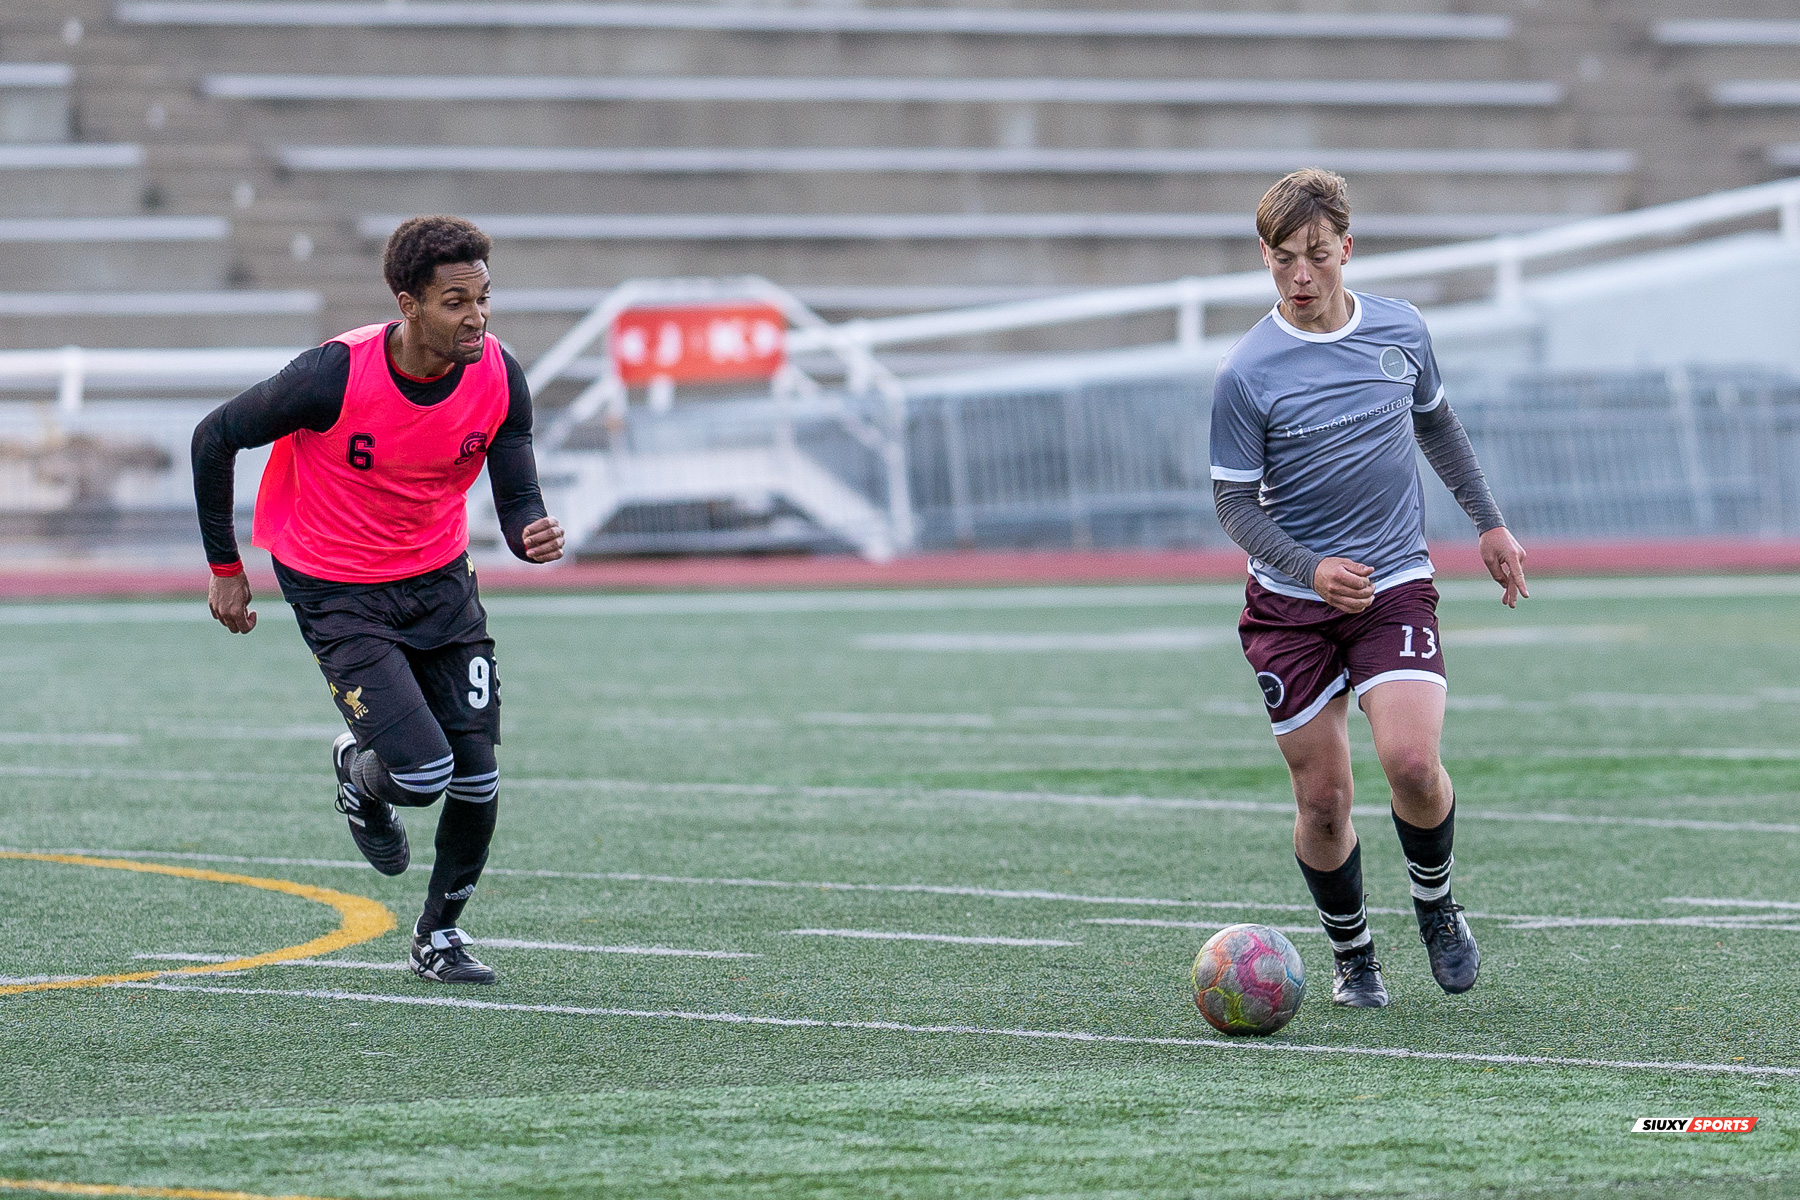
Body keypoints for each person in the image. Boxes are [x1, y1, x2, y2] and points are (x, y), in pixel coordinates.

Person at [190, 215, 565, 985]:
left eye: (483, 297)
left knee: (478, 775)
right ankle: (360, 778)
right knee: (421, 775)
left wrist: (530, 529)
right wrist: (226, 567)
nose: (477, 316)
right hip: (336, 588)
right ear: (409, 304)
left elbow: (518, 487)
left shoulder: (499, 374)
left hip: (440, 582)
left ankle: (438, 935)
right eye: (456, 300)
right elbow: (214, 437)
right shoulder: (334, 374)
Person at [1209, 169, 1529, 1007]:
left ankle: (1437, 908)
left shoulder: (1400, 330)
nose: (1301, 277)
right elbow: (1232, 502)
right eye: (1282, 261)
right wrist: (1310, 568)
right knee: (1323, 802)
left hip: (1393, 583)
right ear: (1267, 261)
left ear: (1346, 249)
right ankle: (1354, 958)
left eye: (1316, 256)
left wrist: (1488, 523)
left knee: (1414, 763)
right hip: (1290, 606)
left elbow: (1436, 423)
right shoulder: (1247, 372)